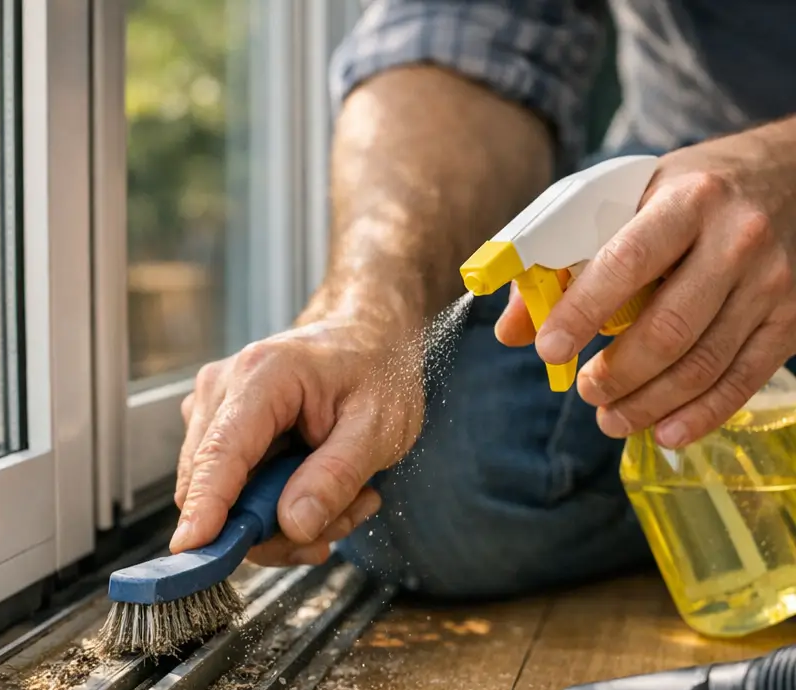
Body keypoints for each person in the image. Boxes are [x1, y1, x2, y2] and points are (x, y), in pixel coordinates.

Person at [171, 0, 796, 599]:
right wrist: (364, 313)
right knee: (429, 482)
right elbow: (462, 27)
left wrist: (781, 174)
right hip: (670, 206)